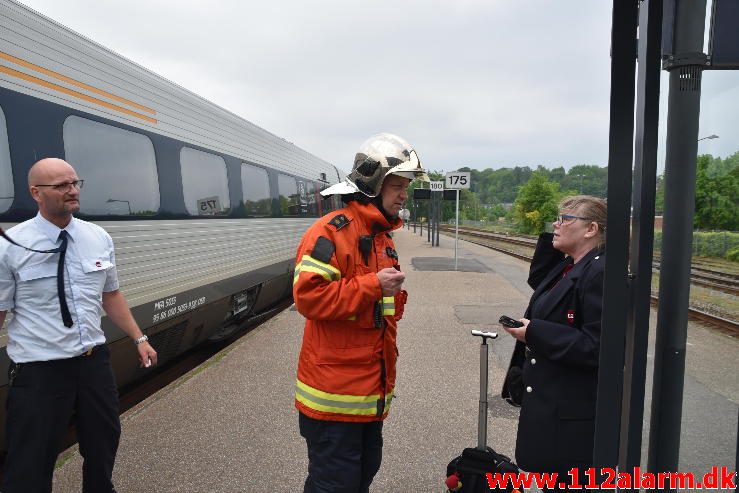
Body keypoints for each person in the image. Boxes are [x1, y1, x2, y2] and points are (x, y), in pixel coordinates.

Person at [0, 158, 158, 493]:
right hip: (39, 369)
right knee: (30, 459)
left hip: (93, 362)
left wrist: (138, 337)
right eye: (61, 186)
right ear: (36, 193)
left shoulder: (97, 236)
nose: (72, 191)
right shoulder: (10, 245)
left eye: (74, 183)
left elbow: (111, 295)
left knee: (103, 441)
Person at [293, 133, 428, 493]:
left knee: (361, 477)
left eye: (406, 187)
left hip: (368, 396)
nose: (403, 194)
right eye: (396, 185)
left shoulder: (381, 236)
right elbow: (308, 297)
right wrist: (372, 286)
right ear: (372, 184)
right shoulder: (329, 232)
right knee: (334, 485)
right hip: (334, 400)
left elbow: (381, 315)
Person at [501, 195, 607, 489]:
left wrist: (534, 333)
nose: (556, 224)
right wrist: (560, 231)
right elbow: (538, 277)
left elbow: (597, 346)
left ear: (591, 229)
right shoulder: (568, 266)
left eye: (566, 220)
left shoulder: (599, 272)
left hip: (572, 415)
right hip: (554, 407)